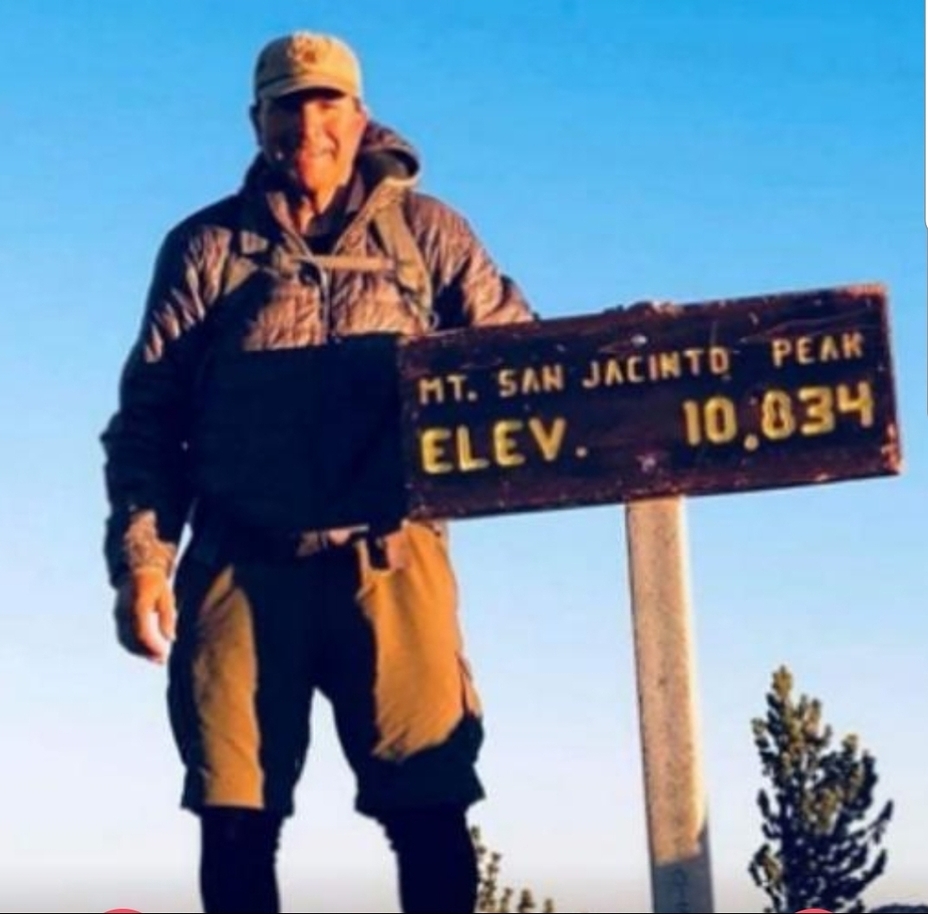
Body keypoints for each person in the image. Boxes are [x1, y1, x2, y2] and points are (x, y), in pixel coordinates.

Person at [100, 30, 534, 914]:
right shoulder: (204, 248)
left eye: (326, 103)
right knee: (234, 813)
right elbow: (149, 418)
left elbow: (522, 358)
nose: (310, 125)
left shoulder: (430, 233)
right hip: (240, 558)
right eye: (289, 105)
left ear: (358, 114)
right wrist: (144, 561)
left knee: (430, 805)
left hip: (391, 554)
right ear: (256, 120)